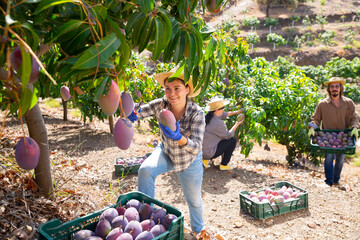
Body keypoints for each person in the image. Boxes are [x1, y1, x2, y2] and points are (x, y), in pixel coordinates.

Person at [127, 67, 205, 233]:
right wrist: (132, 111)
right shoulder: (160, 105)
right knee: (145, 170)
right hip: (167, 152)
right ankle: (146, 221)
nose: (172, 93)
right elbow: (139, 112)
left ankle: (199, 231)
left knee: (194, 201)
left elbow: (197, 146)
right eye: (168, 89)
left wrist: (179, 137)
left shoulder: (197, 113)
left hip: (188, 160)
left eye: (177, 88)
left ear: (187, 90)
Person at [308, 77, 359, 187]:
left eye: (337, 86)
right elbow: (315, 119)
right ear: (329, 89)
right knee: (329, 158)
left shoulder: (348, 103)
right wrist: (312, 128)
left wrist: (355, 127)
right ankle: (329, 181)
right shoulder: (322, 104)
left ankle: (336, 180)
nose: (334, 89)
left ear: (341, 88)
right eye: (332, 87)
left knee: (340, 159)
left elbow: (354, 118)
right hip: (328, 136)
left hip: (344, 136)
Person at [202, 97, 245, 170]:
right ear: (217, 110)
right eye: (223, 107)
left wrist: (236, 112)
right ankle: (224, 165)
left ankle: (204, 159)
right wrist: (237, 124)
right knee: (232, 141)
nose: (224, 109)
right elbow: (228, 136)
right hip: (208, 153)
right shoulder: (219, 123)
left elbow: (224, 114)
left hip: (201, 152)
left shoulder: (208, 116)